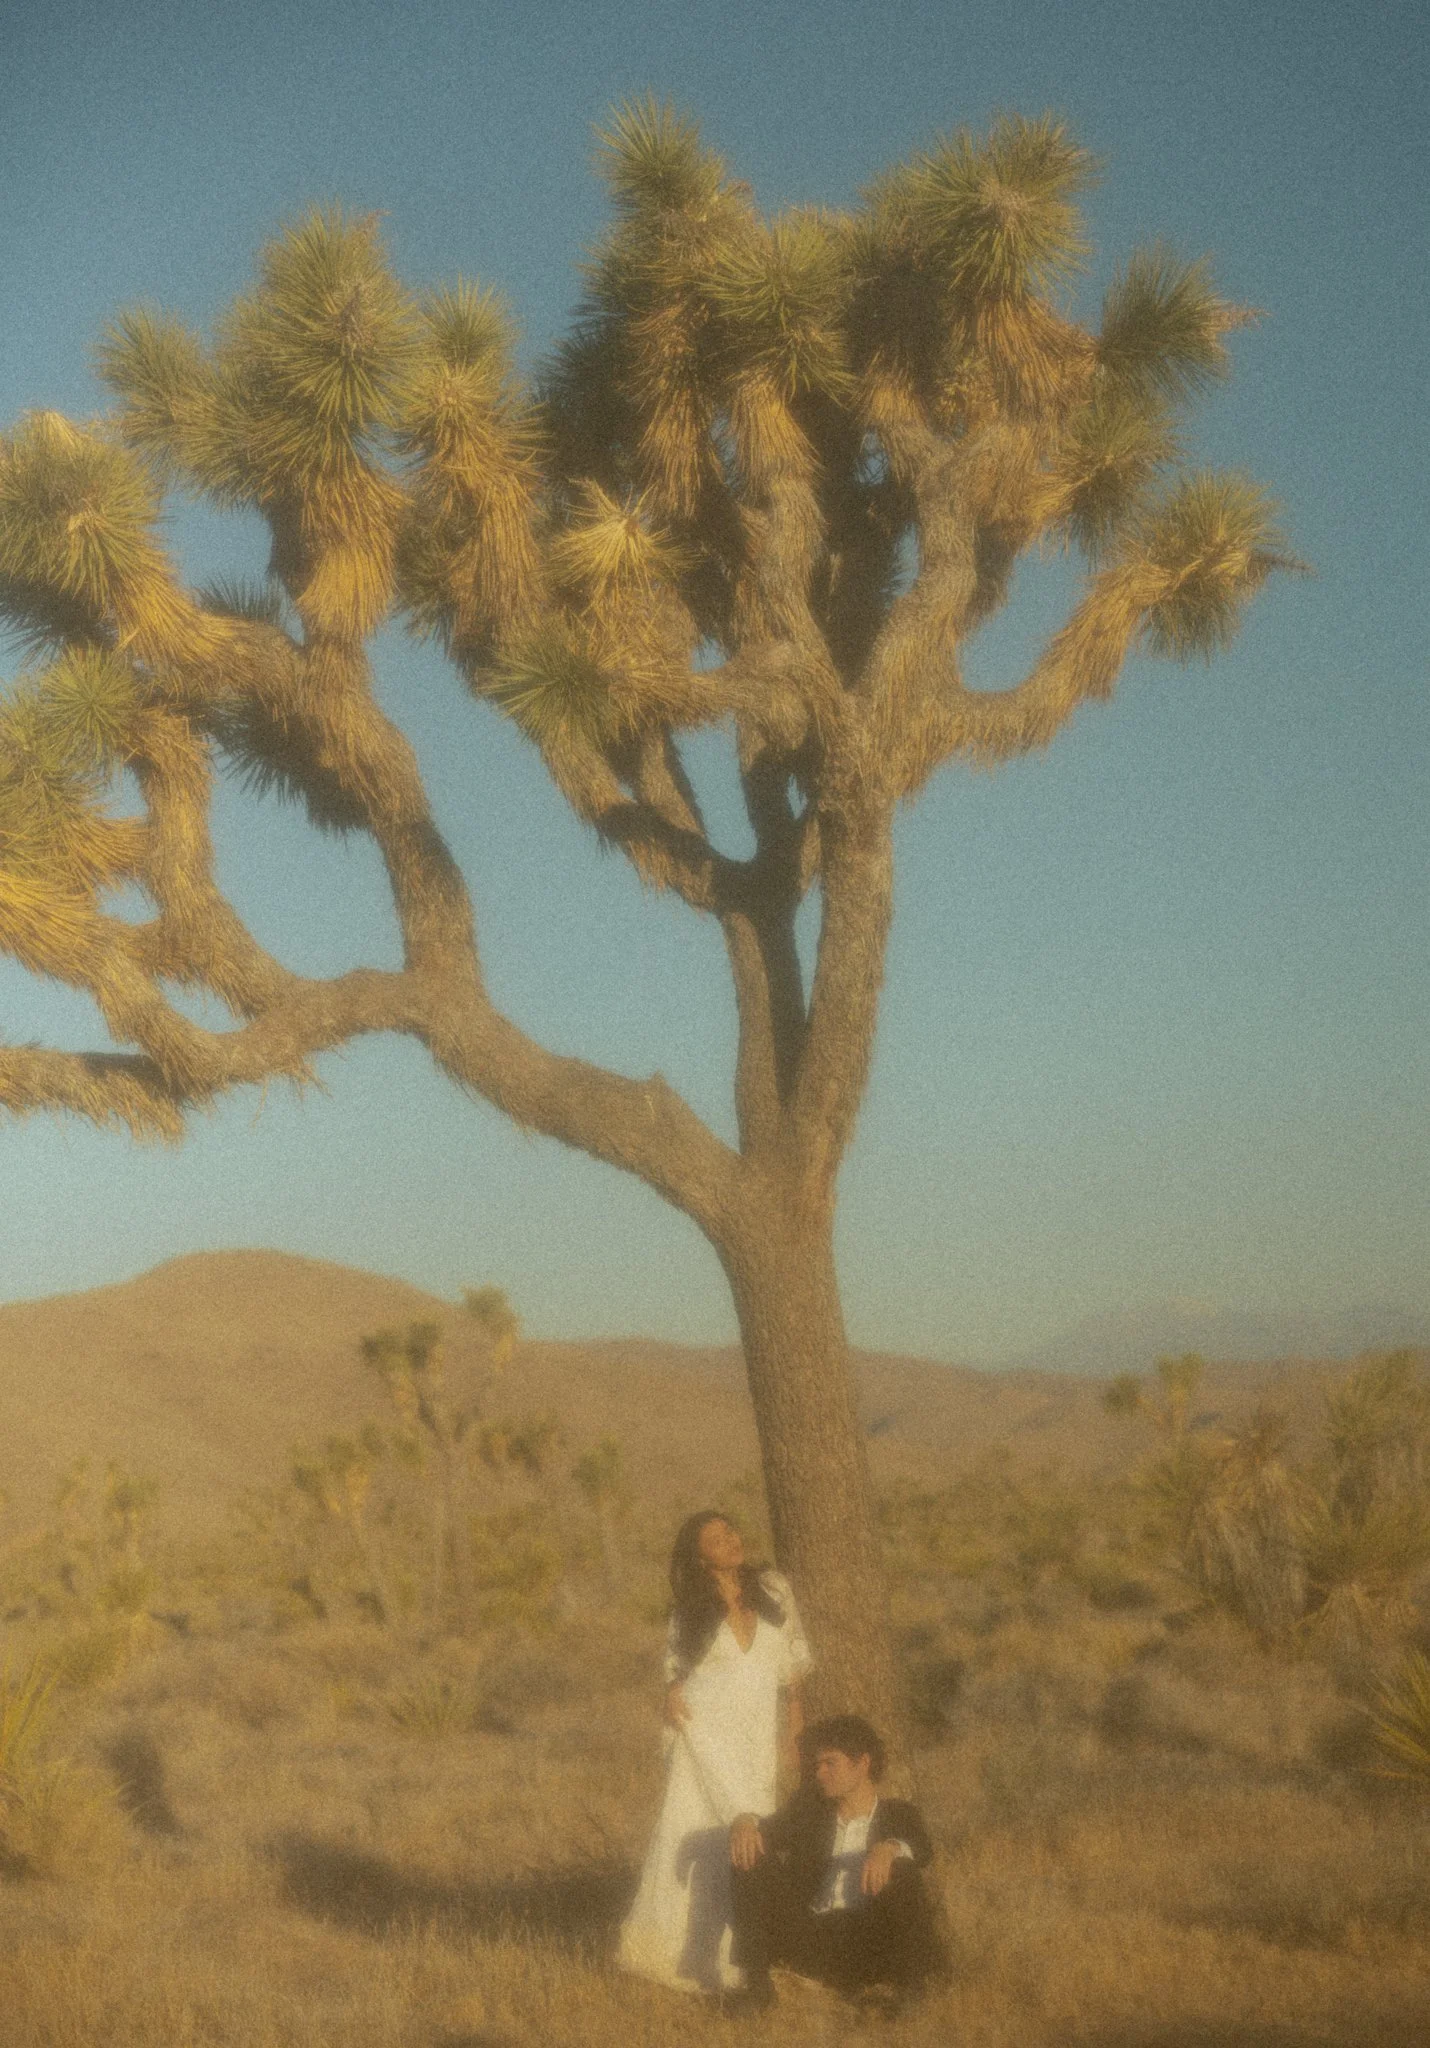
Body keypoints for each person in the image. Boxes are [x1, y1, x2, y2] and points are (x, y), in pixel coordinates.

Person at [618, 1511, 812, 1993]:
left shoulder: (773, 1588)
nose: (730, 1542)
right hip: (703, 1736)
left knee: (753, 1832)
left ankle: (751, 1956)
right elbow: (676, 1673)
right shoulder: (690, 1609)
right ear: (700, 1559)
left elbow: (791, 1672)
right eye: (716, 1540)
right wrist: (670, 1694)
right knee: (700, 1833)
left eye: (731, 1532)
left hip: (755, 1737)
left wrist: (794, 1733)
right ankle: (682, 1959)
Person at [726, 1714, 944, 2010]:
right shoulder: (811, 1813)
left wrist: (890, 1848)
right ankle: (757, 1988)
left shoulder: (900, 1813)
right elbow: (766, 1829)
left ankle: (908, 1993)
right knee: (748, 1852)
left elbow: (922, 1849)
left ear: (863, 1763)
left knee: (902, 1868)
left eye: (831, 1763)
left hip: (867, 1938)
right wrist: (743, 1823)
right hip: (811, 1934)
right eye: (817, 1765)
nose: (820, 1773)